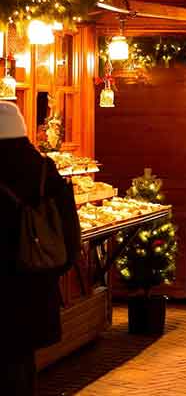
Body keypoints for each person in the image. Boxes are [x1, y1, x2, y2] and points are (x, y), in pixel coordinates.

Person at [0, 102, 81, 394]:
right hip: (34, 285)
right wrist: (49, 270)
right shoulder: (44, 170)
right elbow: (70, 237)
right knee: (22, 362)